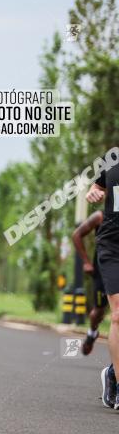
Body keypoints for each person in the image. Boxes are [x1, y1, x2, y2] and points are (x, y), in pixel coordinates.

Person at [85, 150, 119, 409]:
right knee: (118, 314)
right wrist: (93, 192)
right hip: (112, 245)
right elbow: (94, 189)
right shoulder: (113, 157)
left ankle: (112, 372)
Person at [71, 210, 106, 355]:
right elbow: (76, 235)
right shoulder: (100, 216)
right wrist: (86, 262)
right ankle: (92, 333)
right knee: (98, 311)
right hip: (102, 271)